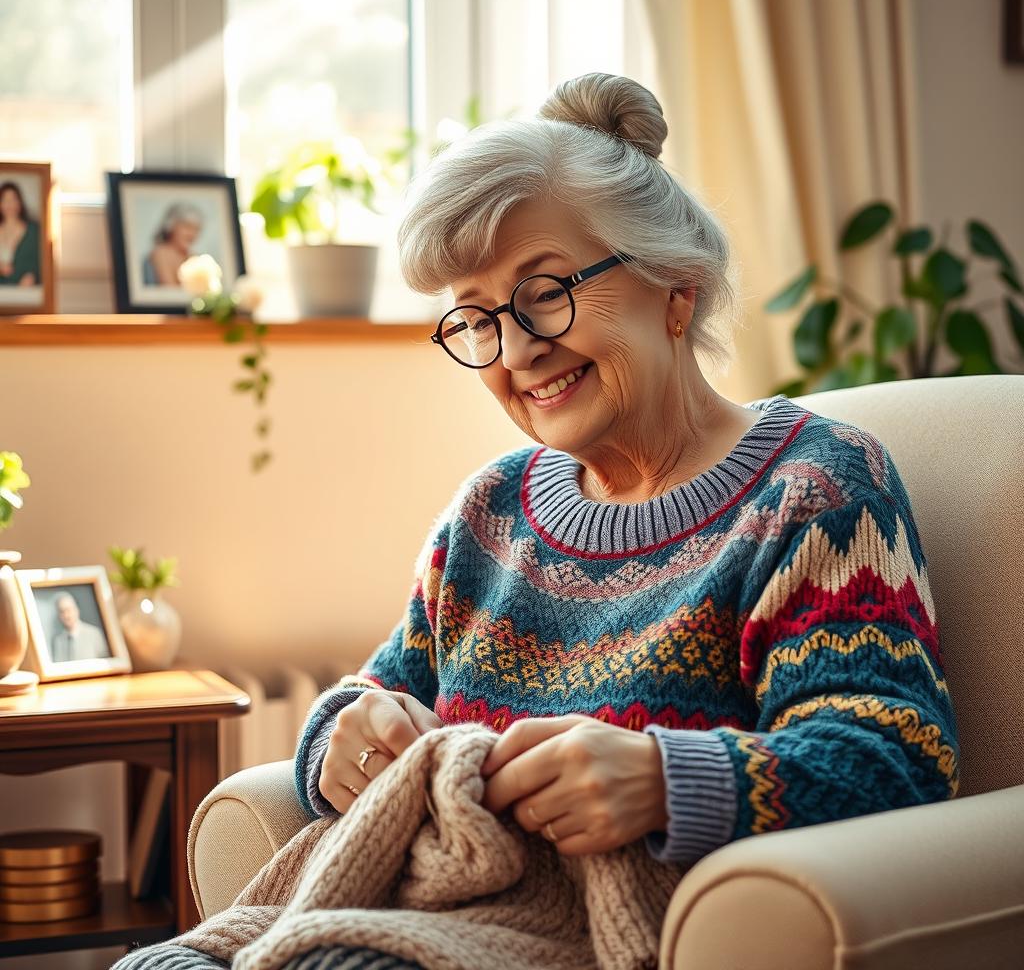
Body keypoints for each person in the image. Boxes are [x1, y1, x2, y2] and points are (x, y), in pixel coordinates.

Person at [113, 73, 960, 969]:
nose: (515, 351)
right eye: (475, 320)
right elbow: (380, 695)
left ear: (676, 288)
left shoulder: (814, 489)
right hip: (413, 915)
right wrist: (344, 732)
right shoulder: (492, 511)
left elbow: (894, 756)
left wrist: (664, 783)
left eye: (545, 293)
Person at [144, 203, 203, 285]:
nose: (192, 234)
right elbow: (170, 290)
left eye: (196, 229)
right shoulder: (161, 253)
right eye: (187, 227)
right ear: (171, 227)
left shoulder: (194, 257)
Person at [0, 181, 41, 286]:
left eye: (13, 199)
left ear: (20, 202)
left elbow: (41, 262)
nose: (9, 204)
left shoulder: (33, 230)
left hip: (24, 291)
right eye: (5, 200)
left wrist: (32, 275)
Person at [48, 592, 110, 662]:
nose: (66, 615)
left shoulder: (94, 633)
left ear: (76, 610)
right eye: (62, 612)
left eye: (68, 610)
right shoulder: (58, 641)